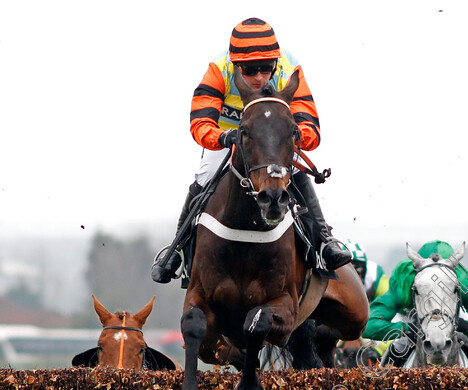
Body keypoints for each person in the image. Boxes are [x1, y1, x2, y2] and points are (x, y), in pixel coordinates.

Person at [151, 17, 352, 284]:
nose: (258, 77)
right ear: (235, 65)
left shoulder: (290, 69)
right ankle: (176, 250)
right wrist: (222, 138)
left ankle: (324, 241)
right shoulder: (218, 68)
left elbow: (309, 124)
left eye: (266, 68)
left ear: (276, 62)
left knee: (292, 168)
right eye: (249, 70)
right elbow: (200, 121)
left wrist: (292, 136)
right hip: (229, 135)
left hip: (271, 139)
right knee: (205, 175)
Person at [362, 240, 468, 367]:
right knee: (399, 345)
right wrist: (405, 328)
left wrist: (464, 325)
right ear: (416, 272)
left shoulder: (462, 282)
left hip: (453, 326)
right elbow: (368, 326)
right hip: (415, 325)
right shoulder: (403, 284)